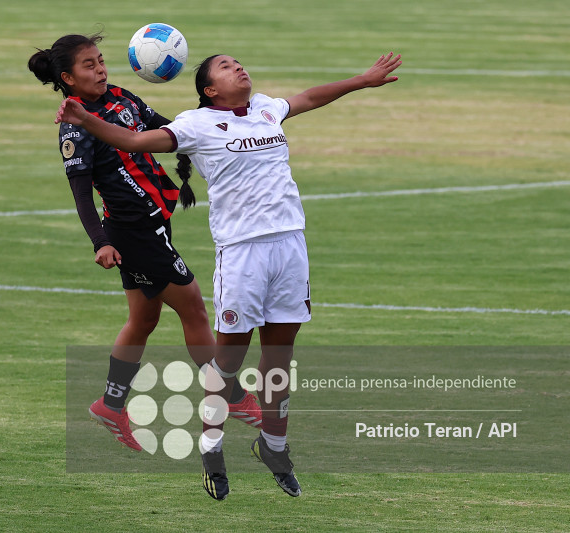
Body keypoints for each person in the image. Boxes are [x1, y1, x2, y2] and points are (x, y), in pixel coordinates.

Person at [55, 51, 402, 498]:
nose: (239, 67)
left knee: (279, 359)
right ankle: (213, 450)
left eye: (238, 61)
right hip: (242, 255)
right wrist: (85, 118)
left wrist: (363, 80)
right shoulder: (195, 125)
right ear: (209, 90)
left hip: (292, 247)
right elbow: (134, 142)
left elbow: (311, 97)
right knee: (228, 360)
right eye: (225, 67)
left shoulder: (265, 109)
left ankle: (274, 447)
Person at [28, 33, 261, 454]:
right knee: (193, 306)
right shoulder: (75, 128)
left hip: (154, 223)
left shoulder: (121, 96)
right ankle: (230, 393)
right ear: (67, 78)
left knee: (143, 319)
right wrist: (100, 241)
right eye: (88, 65)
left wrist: (203, 140)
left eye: (101, 61)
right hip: (133, 234)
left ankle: (111, 405)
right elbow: (81, 194)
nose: (100, 69)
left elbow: (165, 127)